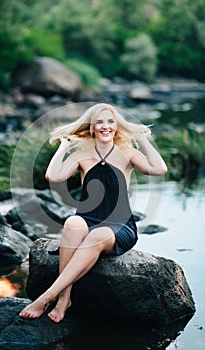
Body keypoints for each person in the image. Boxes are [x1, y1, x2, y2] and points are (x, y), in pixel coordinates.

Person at [19, 103, 167, 322]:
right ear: (91, 127)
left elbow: (159, 169)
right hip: (88, 219)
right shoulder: (82, 155)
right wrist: (63, 147)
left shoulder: (127, 153)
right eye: (99, 122)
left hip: (119, 225)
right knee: (71, 223)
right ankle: (64, 298)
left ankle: (47, 297)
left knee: (96, 235)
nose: (105, 126)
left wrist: (143, 140)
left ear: (116, 126)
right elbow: (53, 176)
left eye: (110, 122)